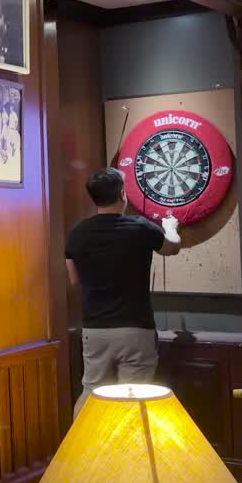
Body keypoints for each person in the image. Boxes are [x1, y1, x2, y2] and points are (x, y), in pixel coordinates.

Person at [66, 167, 181, 415]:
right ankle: (127, 443)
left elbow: (74, 279)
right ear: (122, 194)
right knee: (133, 398)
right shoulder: (140, 227)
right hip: (135, 329)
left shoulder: (77, 233)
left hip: (95, 329)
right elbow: (172, 248)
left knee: (91, 393)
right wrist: (170, 226)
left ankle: (78, 441)